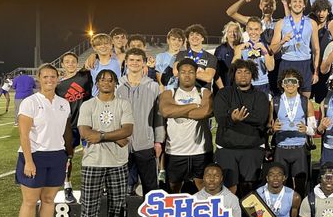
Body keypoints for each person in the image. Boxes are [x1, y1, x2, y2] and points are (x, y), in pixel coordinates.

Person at [67, 69, 134, 217]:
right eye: (102, 79)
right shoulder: (88, 105)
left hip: (118, 162)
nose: (106, 82)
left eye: (110, 80)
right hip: (93, 162)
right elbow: (85, 133)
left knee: (117, 205)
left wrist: (101, 135)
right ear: (97, 83)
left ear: (115, 84)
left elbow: (127, 130)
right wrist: (116, 136)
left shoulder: (123, 104)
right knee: (89, 205)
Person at [16, 64, 73, 217]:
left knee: (49, 200)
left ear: (58, 78)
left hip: (56, 155)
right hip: (34, 156)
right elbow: (23, 135)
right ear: (39, 79)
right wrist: (29, 161)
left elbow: (62, 133)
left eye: (53, 76)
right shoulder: (30, 102)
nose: (49, 80)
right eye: (45, 76)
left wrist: (66, 156)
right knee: (30, 201)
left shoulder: (63, 103)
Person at [116, 47, 165, 207]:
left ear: (144, 63)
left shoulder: (152, 86)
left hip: (145, 143)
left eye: (138, 60)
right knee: (119, 188)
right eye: (131, 60)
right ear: (126, 62)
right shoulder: (117, 85)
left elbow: (158, 116)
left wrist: (158, 141)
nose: (135, 63)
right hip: (121, 144)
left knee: (150, 188)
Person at [213, 59, 270, 195]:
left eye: (247, 72)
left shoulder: (261, 96)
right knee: (228, 188)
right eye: (239, 72)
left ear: (253, 75)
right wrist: (232, 118)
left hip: (252, 148)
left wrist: (235, 116)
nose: (243, 75)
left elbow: (261, 119)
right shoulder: (223, 94)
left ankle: (246, 216)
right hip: (227, 148)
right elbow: (220, 117)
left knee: (249, 188)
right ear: (233, 75)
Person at [158, 59, 213, 193]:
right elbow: (165, 111)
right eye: (183, 72)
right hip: (175, 151)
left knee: (203, 187)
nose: (187, 75)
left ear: (196, 74)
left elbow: (205, 112)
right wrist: (193, 106)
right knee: (174, 188)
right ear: (178, 74)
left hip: (201, 150)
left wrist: (177, 110)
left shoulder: (204, 92)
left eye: (191, 72)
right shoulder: (169, 93)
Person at [270, 69, 316, 198]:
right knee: (279, 185)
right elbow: (269, 126)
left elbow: (313, 130)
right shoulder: (275, 101)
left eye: (293, 81)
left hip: (299, 149)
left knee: (300, 187)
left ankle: (299, 215)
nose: (290, 85)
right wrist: (273, 128)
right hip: (281, 148)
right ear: (282, 84)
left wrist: (306, 129)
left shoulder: (306, 102)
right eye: (287, 81)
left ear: (298, 84)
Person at [55, 52, 93, 204]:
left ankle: (88, 188)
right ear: (62, 65)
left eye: (73, 61)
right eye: (67, 62)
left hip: (87, 124)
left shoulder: (85, 75)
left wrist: (92, 55)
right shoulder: (58, 86)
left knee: (90, 157)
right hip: (69, 127)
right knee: (68, 159)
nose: (70, 64)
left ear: (77, 63)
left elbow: (96, 60)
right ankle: (67, 186)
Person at [270, 0, 320, 98]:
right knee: (287, 100)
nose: (297, 4)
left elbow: (316, 49)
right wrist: (283, 41)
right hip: (287, 63)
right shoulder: (281, 23)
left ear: (304, 5)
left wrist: (316, 72)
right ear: (289, 4)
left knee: (305, 101)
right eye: (294, 1)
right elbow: (272, 50)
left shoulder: (312, 23)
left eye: (300, 2)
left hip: (305, 64)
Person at [309, 0, 333, 103]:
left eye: (324, 10)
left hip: (324, 66)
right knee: (307, 96)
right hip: (310, 64)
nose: (321, 13)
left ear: (328, 11)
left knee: (321, 98)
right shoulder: (310, 22)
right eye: (318, 10)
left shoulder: (331, 23)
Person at [233, 17, 275, 95]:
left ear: (261, 30)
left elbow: (271, 68)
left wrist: (263, 49)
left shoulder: (267, 47)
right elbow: (233, 67)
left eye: (256, 29)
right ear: (247, 30)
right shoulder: (240, 47)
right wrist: (240, 50)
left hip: (262, 85)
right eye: (251, 29)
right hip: (246, 84)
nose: (253, 32)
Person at [172, 24, 218, 90]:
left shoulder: (211, 57)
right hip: (183, 94)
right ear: (188, 39)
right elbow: (176, 72)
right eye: (191, 35)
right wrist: (199, 72)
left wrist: (184, 72)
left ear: (202, 38)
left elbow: (208, 77)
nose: (194, 37)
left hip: (202, 94)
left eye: (197, 34)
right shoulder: (181, 54)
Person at [215, 21, 244, 89]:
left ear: (239, 33)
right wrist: (222, 89)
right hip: (225, 87)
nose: (233, 34)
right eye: (230, 31)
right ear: (226, 34)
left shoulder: (244, 47)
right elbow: (216, 73)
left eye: (235, 31)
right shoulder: (220, 50)